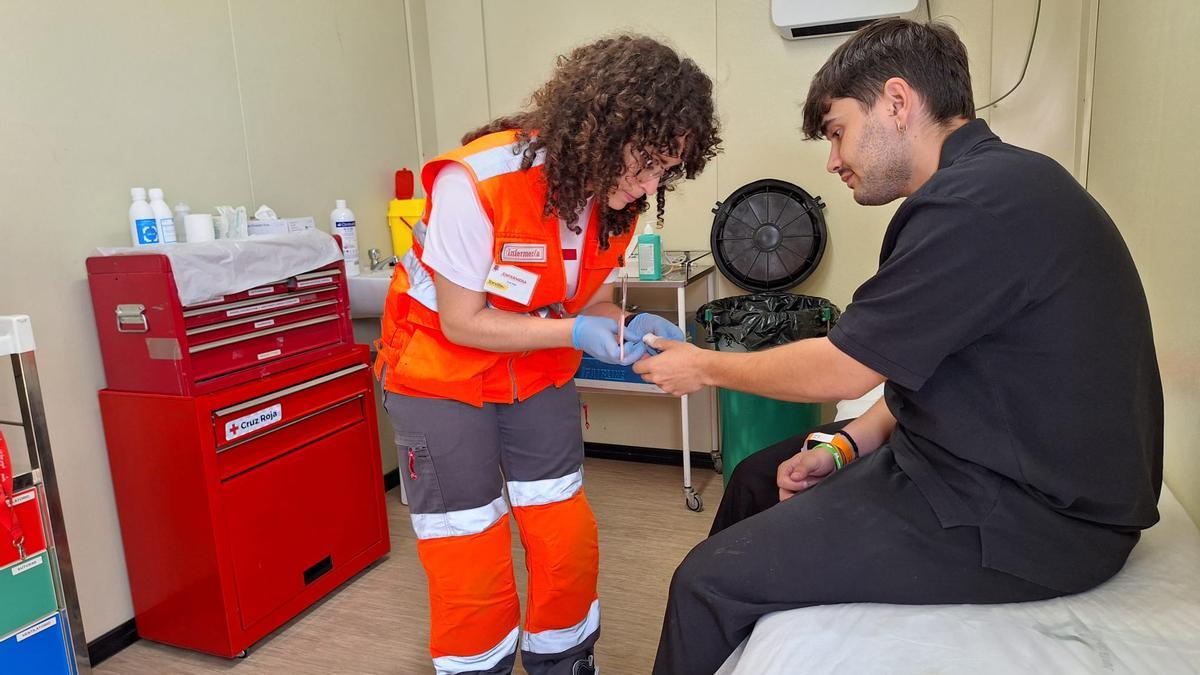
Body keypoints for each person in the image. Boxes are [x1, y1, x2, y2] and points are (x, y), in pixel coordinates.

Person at [633, 18, 1163, 675]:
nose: (832, 160)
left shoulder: (975, 208)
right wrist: (851, 443)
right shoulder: (996, 187)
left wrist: (701, 363)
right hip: (978, 462)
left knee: (704, 583)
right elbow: (923, 364)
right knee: (749, 480)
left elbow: (842, 366)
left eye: (837, 132)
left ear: (896, 102)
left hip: (1035, 521)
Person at [374, 34, 720, 675]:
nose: (651, 184)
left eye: (667, 171)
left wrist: (619, 322)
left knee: (563, 532)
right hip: (441, 379)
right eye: (644, 164)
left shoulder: (616, 205)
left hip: (532, 376)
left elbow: (568, 300)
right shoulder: (478, 181)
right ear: (600, 131)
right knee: (468, 544)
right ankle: (478, 667)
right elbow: (463, 321)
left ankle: (564, 660)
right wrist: (574, 336)